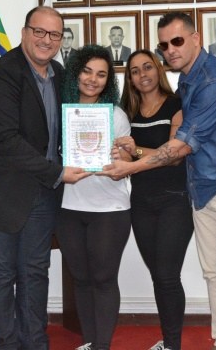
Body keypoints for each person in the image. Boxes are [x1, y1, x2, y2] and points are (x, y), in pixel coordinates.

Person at [101, 11, 216, 350]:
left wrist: (130, 167)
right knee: (215, 273)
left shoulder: (214, 82)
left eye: (177, 41)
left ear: (196, 39)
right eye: (164, 45)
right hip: (202, 189)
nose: (171, 50)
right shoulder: (188, 81)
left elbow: (181, 146)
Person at [0, 6, 90, 350]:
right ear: (24, 33)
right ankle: (5, 344)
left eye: (55, 34)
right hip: (0, 194)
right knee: (1, 273)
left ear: (61, 40)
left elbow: (76, 121)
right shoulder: (1, 74)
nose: (46, 40)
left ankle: (35, 342)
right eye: (39, 31)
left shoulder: (60, 74)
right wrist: (57, 172)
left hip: (43, 192)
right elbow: (5, 140)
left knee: (35, 271)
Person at [55, 44, 132, 350]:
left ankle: (102, 346)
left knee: (103, 278)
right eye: (87, 71)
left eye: (101, 74)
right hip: (68, 207)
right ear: (75, 73)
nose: (93, 79)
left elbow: (126, 165)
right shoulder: (61, 112)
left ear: (108, 81)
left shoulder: (116, 115)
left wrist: (120, 157)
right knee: (81, 279)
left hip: (109, 209)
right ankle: (90, 343)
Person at [117, 49, 194, 350]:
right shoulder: (126, 111)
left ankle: (172, 344)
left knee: (167, 275)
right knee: (159, 276)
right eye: (135, 71)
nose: (142, 75)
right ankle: (168, 341)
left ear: (158, 70)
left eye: (147, 67)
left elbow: (174, 156)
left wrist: (135, 151)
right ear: (130, 79)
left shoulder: (176, 105)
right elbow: (124, 155)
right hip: (141, 202)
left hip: (175, 200)